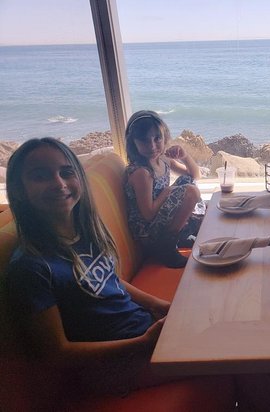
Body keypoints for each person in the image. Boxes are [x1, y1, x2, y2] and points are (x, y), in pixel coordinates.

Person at [4, 137, 175, 396]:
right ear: (19, 191)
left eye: (66, 172)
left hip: (141, 331)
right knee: (222, 355)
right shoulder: (31, 268)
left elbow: (109, 280)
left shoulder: (85, 233)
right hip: (113, 366)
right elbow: (58, 353)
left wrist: (158, 305)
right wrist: (143, 342)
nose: (59, 183)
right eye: (40, 176)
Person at [124, 110, 203, 268]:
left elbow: (195, 175)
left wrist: (185, 156)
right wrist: (168, 191)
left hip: (159, 220)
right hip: (147, 233)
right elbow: (148, 214)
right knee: (191, 191)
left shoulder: (163, 159)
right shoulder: (142, 172)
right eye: (144, 141)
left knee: (187, 181)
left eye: (157, 138)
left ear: (164, 136)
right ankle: (166, 246)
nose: (152, 146)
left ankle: (177, 235)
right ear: (133, 143)